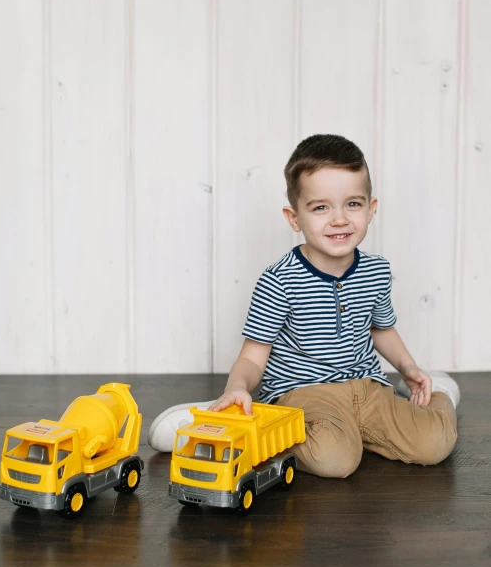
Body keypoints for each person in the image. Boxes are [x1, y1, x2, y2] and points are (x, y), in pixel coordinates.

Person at [148, 134, 459, 478]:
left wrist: (408, 367)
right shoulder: (279, 280)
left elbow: (381, 328)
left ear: (371, 209)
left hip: (368, 387)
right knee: (335, 461)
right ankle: (229, 418)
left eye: (352, 204)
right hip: (304, 393)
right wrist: (237, 386)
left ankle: (436, 394)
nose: (339, 219)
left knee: (435, 443)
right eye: (321, 207)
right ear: (294, 217)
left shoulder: (376, 270)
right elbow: (253, 356)